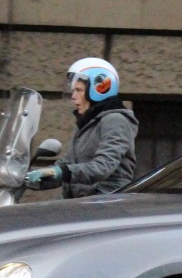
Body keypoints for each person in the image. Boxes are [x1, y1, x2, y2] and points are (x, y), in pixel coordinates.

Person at [24, 57, 139, 198]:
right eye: (73, 90)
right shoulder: (86, 122)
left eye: (78, 90)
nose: (73, 96)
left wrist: (60, 172)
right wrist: (34, 177)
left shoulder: (115, 120)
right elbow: (68, 163)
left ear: (99, 90)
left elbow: (103, 166)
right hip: (79, 199)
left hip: (105, 202)